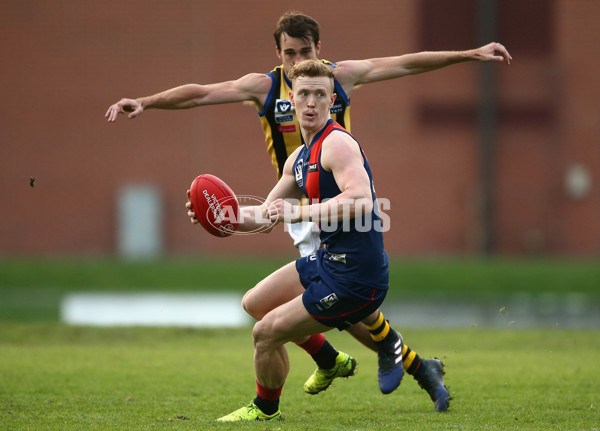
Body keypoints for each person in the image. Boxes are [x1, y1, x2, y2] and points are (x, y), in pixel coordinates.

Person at [109, 11, 512, 411]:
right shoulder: (268, 91)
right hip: (296, 201)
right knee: (277, 305)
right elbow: (200, 93)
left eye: (306, 53)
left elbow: (406, 63)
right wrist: (220, 215)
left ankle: (388, 363)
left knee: (335, 306)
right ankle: (372, 361)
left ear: (322, 56)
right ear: (279, 56)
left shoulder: (337, 91)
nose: (299, 64)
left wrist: (469, 53)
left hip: (330, 205)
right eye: (290, 54)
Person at [187, 59, 414, 421]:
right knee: (254, 304)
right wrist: (218, 217)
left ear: (331, 101)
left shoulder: (337, 145)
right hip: (329, 261)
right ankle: (329, 358)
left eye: (320, 95)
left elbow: (361, 200)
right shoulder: (299, 157)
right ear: (291, 99)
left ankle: (265, 409)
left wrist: (301, 212)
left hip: (356, 277)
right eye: (304, 94)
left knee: (264, 334)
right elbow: (265, 215)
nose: (311, 103)